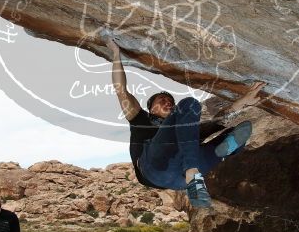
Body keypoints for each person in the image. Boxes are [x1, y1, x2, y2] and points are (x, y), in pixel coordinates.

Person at [105, 34, 265, 207]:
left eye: (170, 102)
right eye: (162, 100)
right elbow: (120, 90)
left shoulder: (185, 128)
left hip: (178, 180)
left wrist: (243, 101)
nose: (168, 102)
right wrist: (115, 54)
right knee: (189, 104)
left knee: (240, 130)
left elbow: (219, 120)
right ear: (151, 109)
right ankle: (200, 165)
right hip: (154, 166)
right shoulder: (140, 119)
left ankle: (218, 152)